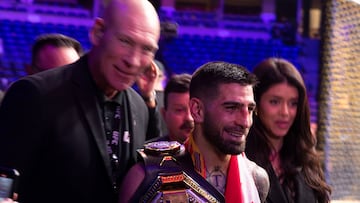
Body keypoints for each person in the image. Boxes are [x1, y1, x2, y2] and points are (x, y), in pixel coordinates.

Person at [0, 0, 161, 203]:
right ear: (98, 32)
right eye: (125, 41)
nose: (134, 60)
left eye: (147, 49)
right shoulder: (34, 95)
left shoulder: (139, 107)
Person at [119, 61, 270, 203]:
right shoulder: (148, 175)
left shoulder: (257, 179)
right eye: (231, 108)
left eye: (250, 109)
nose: (245, 122)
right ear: (197, 110)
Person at [245, 57, 332, 203]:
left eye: (293, 103)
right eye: (275, 102)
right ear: (256, 104)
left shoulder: (306, 159)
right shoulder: (241, 162)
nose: (285, 112)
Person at [149, 73, 194, 143]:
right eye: (179, 110)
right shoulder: (148, 153)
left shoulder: (216, 151)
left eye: (194, 109)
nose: (189, 118)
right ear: (164, 114)